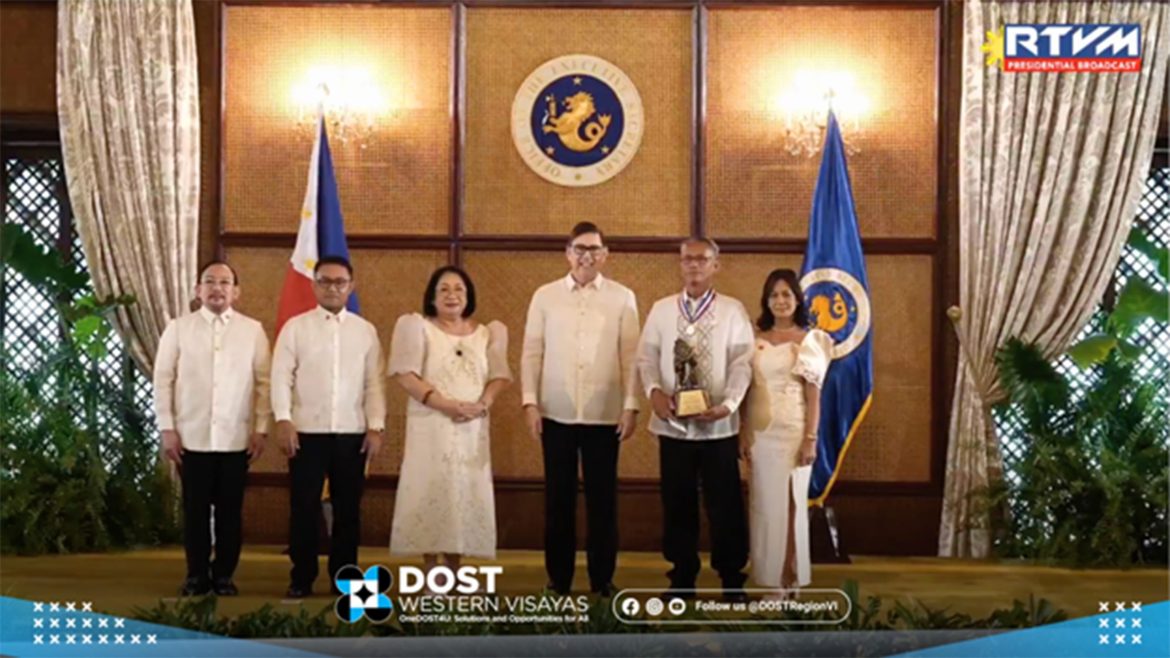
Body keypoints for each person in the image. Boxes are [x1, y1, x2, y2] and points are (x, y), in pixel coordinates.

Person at [521, 222, 640, 597]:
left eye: (594, 249)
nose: (587, 256)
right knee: (558, 500)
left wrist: (631, 405)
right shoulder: (545, 296)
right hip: (555, 413)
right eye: (580, 249)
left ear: (606, 254)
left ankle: (602, 580)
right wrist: (529, 401)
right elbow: (531, 352)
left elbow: (631, 355)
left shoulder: (623, 297)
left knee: (603, 502)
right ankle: (559, 580)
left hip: (605, 415)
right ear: (567, 252)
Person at [636, 238, 754, 601]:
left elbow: (742, 362)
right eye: (687, 259)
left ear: (716, 265)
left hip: (718, 427)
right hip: (673, 427)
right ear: (679, 264)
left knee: (725, 503)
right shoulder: (661, 309)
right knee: (677, 502)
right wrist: (655, 392)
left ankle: (732, 577)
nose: (694, 266)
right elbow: (646, 358)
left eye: (702, 260)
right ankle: (682, 576)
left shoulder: (733, 311)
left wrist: (729, 404)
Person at [153, 261, 271, 597]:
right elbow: (163, 381)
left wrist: (261, 428)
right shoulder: (178, 329)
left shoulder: (252, 330)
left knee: (230, 512)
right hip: (191, 437)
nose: (217, 288)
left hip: (236, 438)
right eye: (209, 282)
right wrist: (167, 428)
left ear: (236, 291)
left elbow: (264, 383)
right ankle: (196, 575)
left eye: (224, 282)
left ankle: (224, 575)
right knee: (195, 512)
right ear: (197, 290)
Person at [387, 266, 511, 583]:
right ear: (432, 296)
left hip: (471, 429)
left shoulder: (488, 332)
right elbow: (406, 375)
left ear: (468, 296)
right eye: (443, 289)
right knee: (433, 490)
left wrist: (482, 404)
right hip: (432, 425)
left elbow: (499, 376)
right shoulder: (416, 326)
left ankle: (455, 573)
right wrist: (445, 404)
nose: (451, 295)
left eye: (459, 289)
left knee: (463, 495)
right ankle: (432, 574)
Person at [271, 256, 385, 599]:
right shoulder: (296, 327)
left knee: (348, 509)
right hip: (305, 432)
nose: (332, 288)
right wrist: (283, 419)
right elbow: (280, 376)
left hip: (352, 433)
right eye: (325, 281)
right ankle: (301, 577)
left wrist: (376, 426)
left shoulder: (365, 331)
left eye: (339, 282)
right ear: (314, 284)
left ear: (352, 286)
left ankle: (345, 578)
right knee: (303, 507)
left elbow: (374, 384)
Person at [743, 269, 832, 599]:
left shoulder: (811, 340)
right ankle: (770, 580)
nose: (781, 301)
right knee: (766, 506)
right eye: (774, 296)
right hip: (761, 434)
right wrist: (742, 431)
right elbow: (746, 390)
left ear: (797, 300)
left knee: (793, 504)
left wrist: (811, 437)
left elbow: (814, 394)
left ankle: (790, 577)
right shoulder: (755, 340)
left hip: (795, 432)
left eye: (786, 295)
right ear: (767, 301)